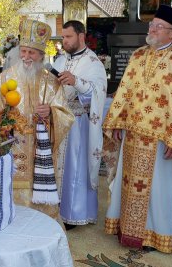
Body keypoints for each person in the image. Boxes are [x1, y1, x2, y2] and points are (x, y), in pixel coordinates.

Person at [103, 5, 172, 253]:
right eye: (151, 25)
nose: (151, 29)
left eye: (157, 26)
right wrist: (118, 120)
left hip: (162, 139)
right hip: (131, 134)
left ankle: (157, 236)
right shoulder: (138, 55)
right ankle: (126, 231)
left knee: (158, 189)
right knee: (127, 184)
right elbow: (124, 91)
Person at [0, 19, 74, 221]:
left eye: (31, 53)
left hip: (40, 153)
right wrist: (0, 115)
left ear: (41, 55)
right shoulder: (4, 78)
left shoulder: (51, 82)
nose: (26, 57)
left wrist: (50, 113)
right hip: (12, 146)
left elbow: (66, 115)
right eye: (23, 51)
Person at [52, 20, 107, 229]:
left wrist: (76, 82)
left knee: (75, 169)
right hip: (59, 122)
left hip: (78, 125)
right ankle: (56, 209)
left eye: (68, 37)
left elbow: (98, 92)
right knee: (59, 168)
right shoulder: (60, 60)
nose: (64, 41)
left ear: (81, 36)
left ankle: (74, 214)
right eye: (63, 37)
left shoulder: (93, 63)